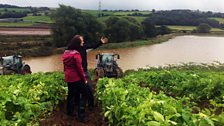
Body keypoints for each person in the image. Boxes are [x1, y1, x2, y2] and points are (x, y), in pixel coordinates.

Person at [73, 35, 108, 109]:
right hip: (81, 73)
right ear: (78, 42)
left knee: (82, 89)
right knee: (88, 88)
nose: (83, 41)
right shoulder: (75, 50)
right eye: (82, 40)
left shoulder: (80, 48)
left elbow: (93, 46)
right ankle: (87, 105)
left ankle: (82, 104)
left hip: (79, 72)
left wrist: (100, 42)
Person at [62, 36, 88, 122]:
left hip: (69, 78)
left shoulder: (66, 53)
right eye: (81, 41)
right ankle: (81, 115)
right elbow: (80, 69)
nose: (83, 43)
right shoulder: (76, 54)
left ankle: (69, 112)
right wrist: (84, 79)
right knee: (84, 94)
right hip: (76, 78)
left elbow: (65, 67)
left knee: (71, 94)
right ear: (78, 43)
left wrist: (66, 75)